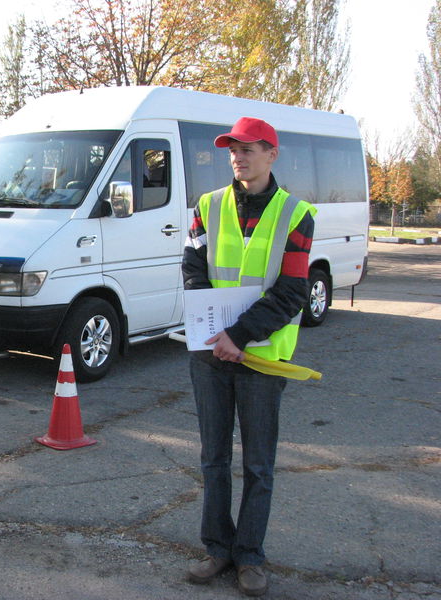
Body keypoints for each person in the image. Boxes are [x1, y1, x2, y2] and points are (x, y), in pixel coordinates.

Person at [182, 117, 316, 597]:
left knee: (258, 464)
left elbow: (292, 291)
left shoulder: (296, 214)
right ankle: (217, 549)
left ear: (271, 154)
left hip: (262, 357)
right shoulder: (207, 206)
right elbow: (193, 268)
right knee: (213, 458)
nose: (238, 156)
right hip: (209, 354)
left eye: (249, 148)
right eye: (232, 149)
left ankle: (250, 556)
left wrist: (236, 335)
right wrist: (213, 328)